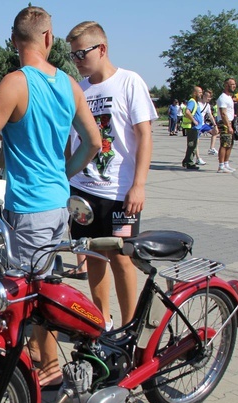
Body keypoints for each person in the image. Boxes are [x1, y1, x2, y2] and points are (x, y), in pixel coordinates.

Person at [0, 7, 101, 386]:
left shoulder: (16, 83)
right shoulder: (69, 85)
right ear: (48, 38)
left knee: (27, 293)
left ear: (13, 41)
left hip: (28, 209)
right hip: (58, 205)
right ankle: (45, 362)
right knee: (44, 284)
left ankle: (45, 369)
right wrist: (63, 174)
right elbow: (93, 142)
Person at [66, 21, 157, 336]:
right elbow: (71, 141)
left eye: (82, 53)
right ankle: (101, 320)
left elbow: (144, 135)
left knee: (122, 258)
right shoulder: (80, 89)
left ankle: (131, 326)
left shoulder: (129, 82)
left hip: (119, 191)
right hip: (82, 190)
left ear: (101, 49)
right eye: (73, 55)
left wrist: (139, 184)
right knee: (92, 254)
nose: (77, 60)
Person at [216, 78, 237, 174]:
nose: (234, 86)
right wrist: (228, 126)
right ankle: (221, 166)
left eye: (234, 84)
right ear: (226, 85)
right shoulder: (223, 98)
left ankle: (226, 164)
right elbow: (223, 113)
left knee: (230, 144)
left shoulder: (229, 97)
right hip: (224, 122)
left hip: (230, 122)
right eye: (231, 84)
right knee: (224, 144)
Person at [181, 86, 203, 170]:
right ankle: (189, 162)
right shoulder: (192, 101)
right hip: (193, 127)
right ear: (194, 93)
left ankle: (187, 161)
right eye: (199, 92)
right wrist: (194, 120)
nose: (201, 94)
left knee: (193, 145)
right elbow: (187, 112)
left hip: (196, 127)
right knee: (192, 145)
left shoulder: (195, 102)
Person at [202, 89, 220, 155]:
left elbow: (210, 116)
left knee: (215, 132)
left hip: (203, 124)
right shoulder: (198, 104)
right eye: (208, 96)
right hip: (197, 124)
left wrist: (215, 125)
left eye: (210, 97)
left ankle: (211, 148)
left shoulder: (207, 105)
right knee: (196, 141)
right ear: (203, 96)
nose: (209, 98)